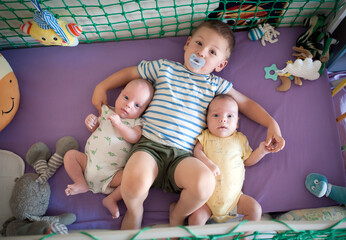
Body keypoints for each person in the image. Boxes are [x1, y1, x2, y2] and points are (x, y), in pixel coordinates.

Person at [91, 20, 285, 230]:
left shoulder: (215, 85)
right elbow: (131, 73)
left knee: (205, 184)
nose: (201, 53)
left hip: (183, 156)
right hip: (149, 146)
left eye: (212, 52)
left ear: (220, 65)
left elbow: (245, 103)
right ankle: (135, 210)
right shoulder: (165, 68)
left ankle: (178, 212)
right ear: (187, 44)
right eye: (199, 44)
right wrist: (103, 86)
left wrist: (271, 124)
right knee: (133, 184)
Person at [64, 79, 154, 218]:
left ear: (143, 111)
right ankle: (80, 182)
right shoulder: (107, 111)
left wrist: (120, 125)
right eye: (125, 97)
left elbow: (134, 137)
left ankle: (111, 198)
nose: (128, 105)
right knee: (70, 155)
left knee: (130, 179)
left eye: (137, 105)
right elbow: (96, 129)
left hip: (112, 174)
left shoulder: (136, 122)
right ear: (119, 94)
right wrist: (91, 122)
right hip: (88, 163)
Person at [189, 94, 271, 226]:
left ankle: (244, 236)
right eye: (216, 115)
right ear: (207, 120)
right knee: (195, 219)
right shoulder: (205, 136)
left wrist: (261, 151)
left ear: (237, 123)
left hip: (235, 200)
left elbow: (248, 161)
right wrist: (208, 164)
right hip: (206, 202)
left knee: (255, 209)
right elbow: (197, 151)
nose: (223, 120)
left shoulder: (240, 139)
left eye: (229, 116)